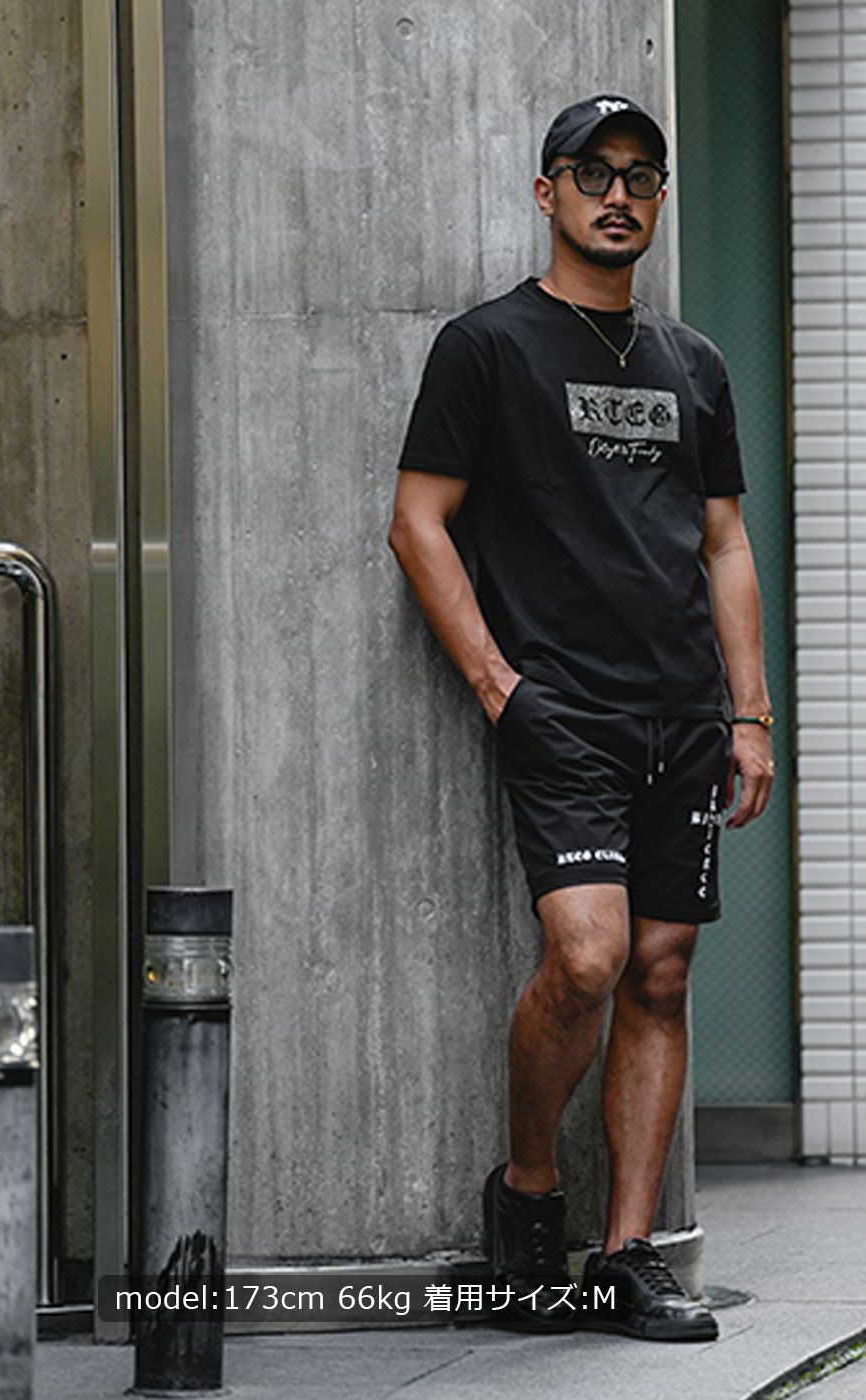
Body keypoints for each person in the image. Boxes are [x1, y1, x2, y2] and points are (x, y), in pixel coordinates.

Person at [387, 94, 775, 1342]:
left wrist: (750, 712)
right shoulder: (487, 346)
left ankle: (626, 1254)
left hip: (684, 713)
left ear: (658, 200)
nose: (618, 194)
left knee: (661, 971)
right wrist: (499, 686)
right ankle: (529, 1194)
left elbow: (723, 541)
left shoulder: (693, 363)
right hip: (564, 711)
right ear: (545, 191)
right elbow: (417, 522)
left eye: (639, 175)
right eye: (591, 171)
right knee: (591, 957)